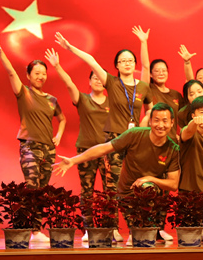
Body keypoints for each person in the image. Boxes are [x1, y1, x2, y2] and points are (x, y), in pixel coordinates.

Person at [54, 32, 152, 194]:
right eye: (123, 61)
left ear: (135, 64)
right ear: (117, 66)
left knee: (134, 184)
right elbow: (91, 61)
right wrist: (70, 48)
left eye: (130, 60)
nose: (127, 63)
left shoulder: (143, 86)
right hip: (114, 136)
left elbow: (150, 112)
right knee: (113, 186)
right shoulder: (112, 82)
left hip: (134, 139)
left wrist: (143, 42)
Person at [0, 34, 65, 188]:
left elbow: (62, 119)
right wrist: (0, 52)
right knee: (32, 187)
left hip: (49, 150)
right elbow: (11, 72)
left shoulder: (52, 100)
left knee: (43, 191)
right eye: (37, 73)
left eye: (43, 73)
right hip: (30, 146)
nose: (41, 76)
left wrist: (58, 136)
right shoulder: (23, 93)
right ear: (28, 75)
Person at [43, 48, 108, 231]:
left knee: (109, 192)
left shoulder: (113, 102)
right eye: (94, 77)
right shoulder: (83, 99)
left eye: (100, 77)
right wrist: (57, 66)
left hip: (108, 152)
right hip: (85, 151)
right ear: (89, 81)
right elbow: (70, 84)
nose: (98, 80)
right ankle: (88, 228)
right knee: (87, 190)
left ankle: (109, 227)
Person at [132, 26, 184, 136]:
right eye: (157, 71)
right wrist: (143, 42)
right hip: (153, 138)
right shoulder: (149, 89)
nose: (161, 73)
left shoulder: (176, 95)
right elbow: (145, 66)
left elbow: (183, 118)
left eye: (164, 70)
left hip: (171, 140)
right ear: (151, 74)